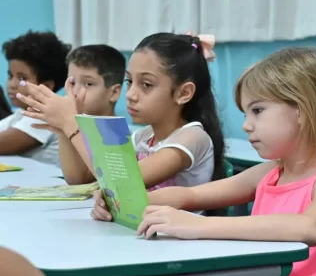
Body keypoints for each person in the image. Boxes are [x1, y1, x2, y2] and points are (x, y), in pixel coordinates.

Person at [93, 47, 316, 276]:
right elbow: (190, 195)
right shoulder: (273, 172)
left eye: (257, 111)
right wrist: (121, 199)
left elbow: (310, 227)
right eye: (246, 113)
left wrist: (200, 226)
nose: (246, 125)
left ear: (303, 109)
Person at [16, 33, 225, 194]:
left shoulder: (192, 138)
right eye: (130, 81)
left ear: (184, 93)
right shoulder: (143, 138)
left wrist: (72, 124)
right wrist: (63, 130)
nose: (131, 94)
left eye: (146, 84)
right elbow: (81, 179)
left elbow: (120, 184)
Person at [55, 45, 125, 185]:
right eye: (72, 82)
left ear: (114, 93)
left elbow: (78, 180)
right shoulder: (80, 123)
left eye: (88, 84)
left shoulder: (116, 134)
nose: (75, 92)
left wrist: (66, 126)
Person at [0, 31, 70, 166]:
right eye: (10, 76)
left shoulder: (45, 116)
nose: (12, 85)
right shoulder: (20, 114)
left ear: (46, 86)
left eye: (22, 78)